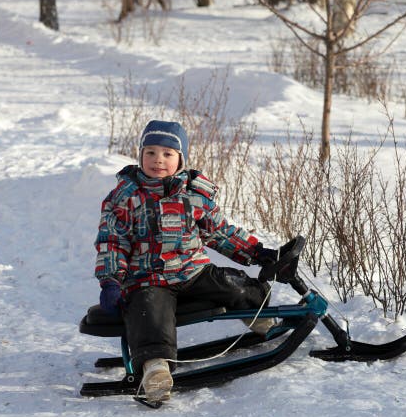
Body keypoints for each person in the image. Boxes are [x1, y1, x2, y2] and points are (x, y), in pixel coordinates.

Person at [94, 120, 278, 402]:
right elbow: (113, 242)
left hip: (193, 271)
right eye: (151, 152)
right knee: (149, 312)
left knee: (232, 283)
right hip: (148, 278)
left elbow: (219, 232)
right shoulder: (125, 197)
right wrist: (111, 281)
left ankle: (261, 317)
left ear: (180, 159)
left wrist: (257, 253)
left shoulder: (194, 194)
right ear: (140, 155)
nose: (158, 160)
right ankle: (155, 367)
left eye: (167, 154)